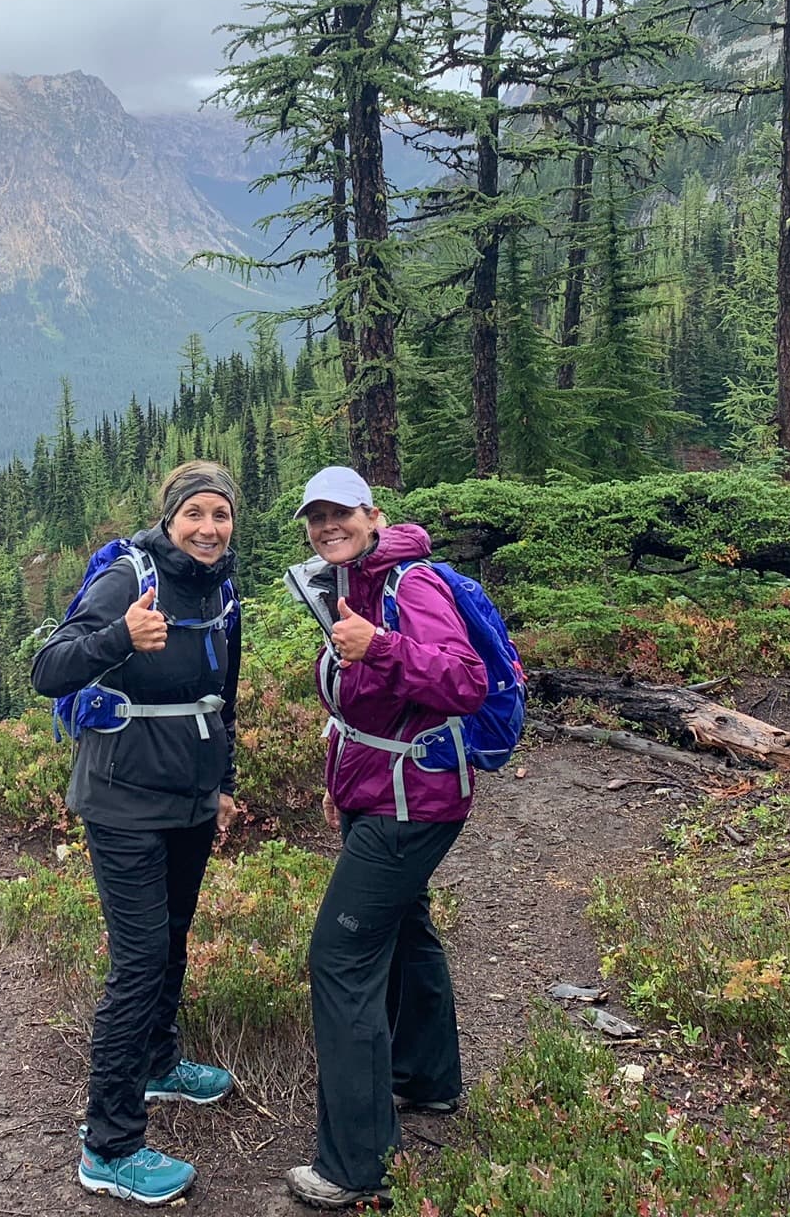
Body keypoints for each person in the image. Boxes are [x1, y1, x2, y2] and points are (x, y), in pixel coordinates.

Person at [30, 460, 243, 1206]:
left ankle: (159, 1063)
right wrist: (117, 636)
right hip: (121, 797)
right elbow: (48, 667)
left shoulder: (222, 590)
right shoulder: (129, 576)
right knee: (141, 960)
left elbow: (226, 697)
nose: (209, 529)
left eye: (220, 515)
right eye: (196, 515)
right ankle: (109, 1147)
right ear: (171, 517)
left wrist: (224, 785)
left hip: (189, 797)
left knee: (174, 936)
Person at [282, 466, 488, 1211]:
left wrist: (381, 648)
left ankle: (355, 1165)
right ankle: (426, 1081)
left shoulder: (411, 585)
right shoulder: (354, 586)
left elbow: (465, 682)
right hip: (382, 796)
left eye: (340, 513)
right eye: (316, 517)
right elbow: (363, 710)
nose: (326, 526)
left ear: (373, 514)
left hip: (417, 802)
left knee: (339, 957)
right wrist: (344, 791)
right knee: (406, 927)